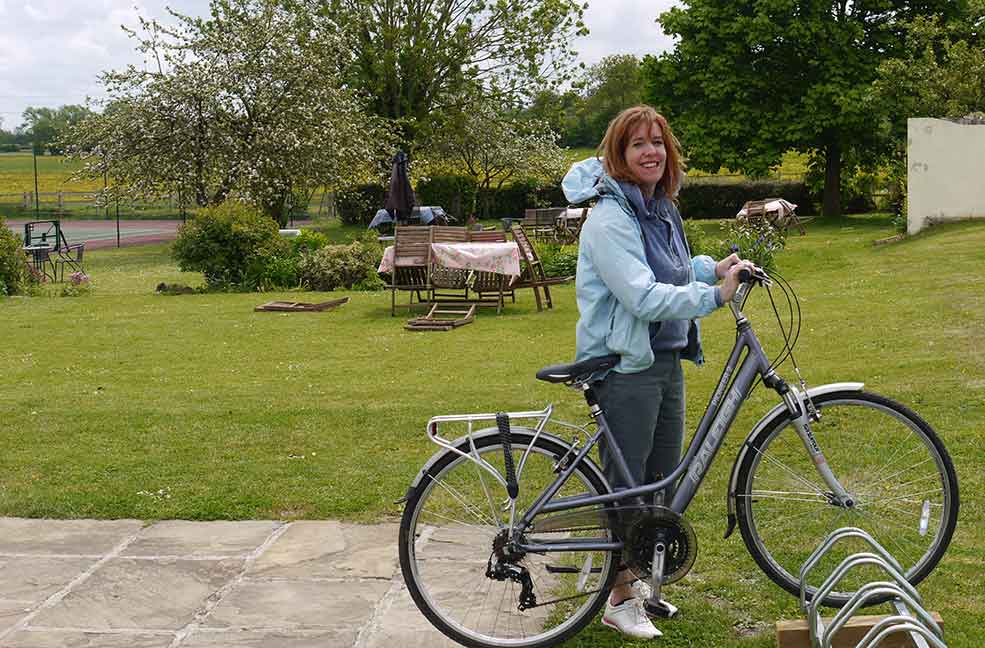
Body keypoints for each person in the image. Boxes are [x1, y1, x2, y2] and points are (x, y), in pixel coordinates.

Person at [561, 105, 753, 640]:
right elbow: (641, 294)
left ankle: (634, 579)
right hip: (623, 364)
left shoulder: (659, 206)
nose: (650, 152)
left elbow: (669, 269)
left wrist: (711, 268)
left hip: (664, 358)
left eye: (658, 142)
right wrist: (714, 296)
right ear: (618, 156)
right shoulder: (609, 218)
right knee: (627, 485)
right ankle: (618, 596)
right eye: (637, 144)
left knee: (661, 478)